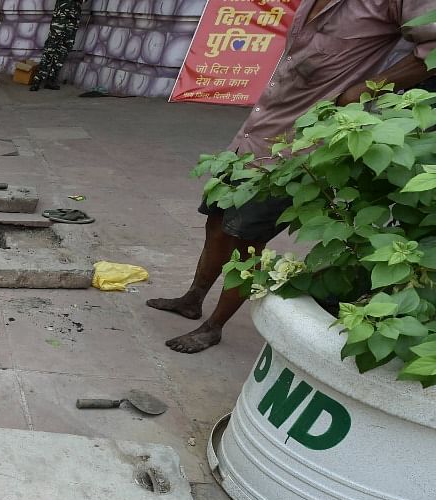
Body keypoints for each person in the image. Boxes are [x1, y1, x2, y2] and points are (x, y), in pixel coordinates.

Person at [148, 0, 436, 353]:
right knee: (217, 219)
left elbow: (431, 48)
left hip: (300, 147)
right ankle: (193, 298)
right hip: (259, 127)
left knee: (246, 239)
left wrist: (363, 89)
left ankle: (214, 326)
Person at [30, 0, 82, 91]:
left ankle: (50, 80)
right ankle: (38, 80)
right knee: (50, 51)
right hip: (60, 23)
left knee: (61, 53)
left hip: (69, 25)